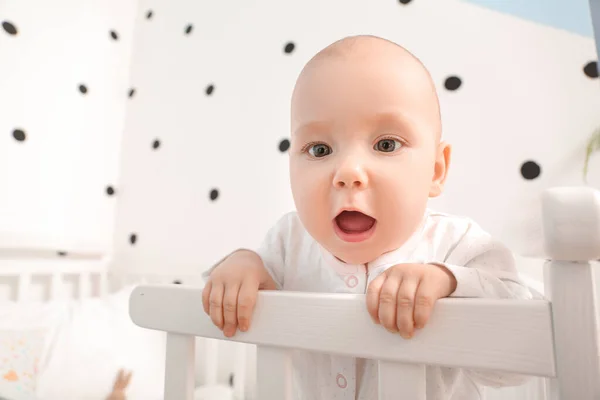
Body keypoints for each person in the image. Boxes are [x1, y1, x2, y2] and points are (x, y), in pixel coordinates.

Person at [201, 34, 534, 399]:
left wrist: (450, 282)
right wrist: (242, 266)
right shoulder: (286, 242)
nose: (348, 171)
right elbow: (246, 286)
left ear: (436, 170)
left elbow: (524, 355)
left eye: (386, 144)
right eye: (320, 148)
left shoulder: (460, 245)